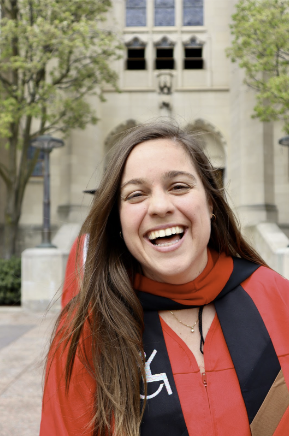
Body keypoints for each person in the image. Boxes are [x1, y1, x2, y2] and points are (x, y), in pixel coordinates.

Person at [40, 122, 289, 436]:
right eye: (136, 194)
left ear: (211, 201)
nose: (159, 207)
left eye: (179, 186)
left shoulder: (277, 298)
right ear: (117, 218)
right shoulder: (88, 329)